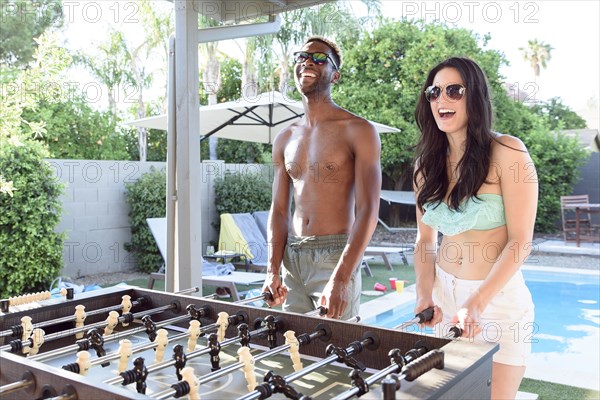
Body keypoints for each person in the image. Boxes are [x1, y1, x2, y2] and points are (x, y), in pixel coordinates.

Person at [412, 57, 536, 400]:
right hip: (442, 296)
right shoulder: (425, 165)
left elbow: (520, 241)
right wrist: (424, 294)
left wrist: (477, 302)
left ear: (475, 97)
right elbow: (425, 240)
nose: (442, 100)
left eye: (455, 90)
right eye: (434, 92)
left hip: (496, 301)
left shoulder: (508, 152)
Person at [261, 36, 382, 320]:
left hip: (335, 254)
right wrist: (272, 270)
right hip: (293, 256)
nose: (308, 62)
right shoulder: (285, 137)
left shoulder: (359, 130)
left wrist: (341, 279)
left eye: (319, 58)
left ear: (335, 75)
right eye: (302, 57)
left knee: (336, 353)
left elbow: (368, 210)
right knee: (292, 349)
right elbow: (279, 210)